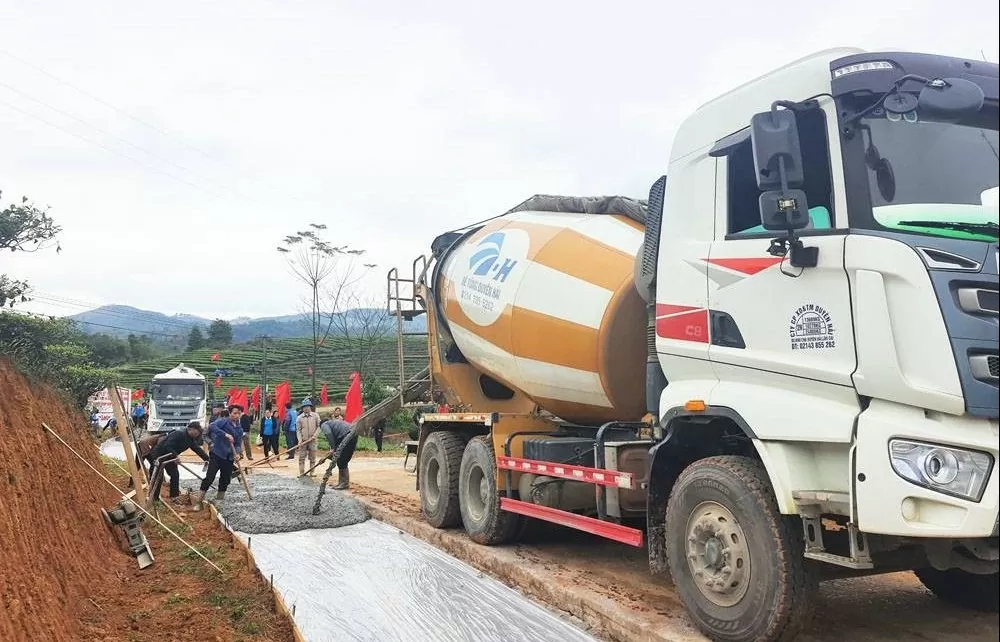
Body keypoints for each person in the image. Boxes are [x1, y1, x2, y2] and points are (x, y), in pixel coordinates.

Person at [192, 405, 245, 511]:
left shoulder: (239, 428)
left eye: (239, 413)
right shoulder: (224, 422)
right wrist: (225, 434)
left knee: (225, 479)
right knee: (209, 478)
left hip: (229, 457)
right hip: (217, 454)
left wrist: (238, 453)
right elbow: (212, 426)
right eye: (234, 413)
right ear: (230, 413)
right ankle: (198, 502)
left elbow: (238, 443)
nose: (237, 415)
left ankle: (219, 499)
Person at [145, 422, 210, 505]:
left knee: (175, 474)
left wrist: (207, 459)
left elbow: (197, 449)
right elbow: (167, 445)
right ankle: (154, 498)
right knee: (158, 476)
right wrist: (175, 456)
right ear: (191, 429)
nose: (197, 435)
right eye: (197, 433)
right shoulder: (179, 434)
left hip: (170, 457)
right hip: (159, 455)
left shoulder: (191, 439)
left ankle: (174, 497)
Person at [319, 413, 358, 490]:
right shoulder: (335, 423)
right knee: (342, 459)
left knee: (341, 460)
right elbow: (335, 450)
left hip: (346, 435)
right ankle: (342, 482)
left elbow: (329, 434)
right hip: (353, 434)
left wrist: (332, 448)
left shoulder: (324, 424)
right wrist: (327, 456)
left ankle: (344, 483)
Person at [296, 398, 321, 476]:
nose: (306, 408)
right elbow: (298, 430)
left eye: (307, 406)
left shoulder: (315, 416)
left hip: (313, 440)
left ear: (310, 407)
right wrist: (300, 440)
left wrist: (315, 435)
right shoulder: (299, 418)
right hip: (303, 441)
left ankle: (312, 472)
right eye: (304, 407)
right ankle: (302, 472)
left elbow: (319, 426)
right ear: (302, 408)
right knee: (301, 458)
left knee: (312, 457)